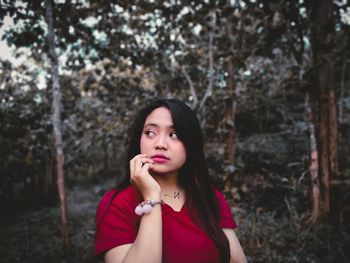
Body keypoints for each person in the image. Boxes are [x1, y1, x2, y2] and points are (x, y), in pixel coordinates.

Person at [94, 98, 247, 263]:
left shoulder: (209, 196)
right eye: (150, 133)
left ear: (191, 143)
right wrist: (152, 197)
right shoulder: (117, 203)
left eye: (174, 135)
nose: (160, 144)